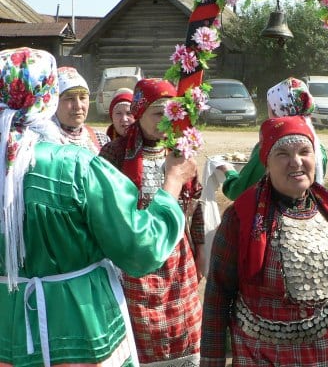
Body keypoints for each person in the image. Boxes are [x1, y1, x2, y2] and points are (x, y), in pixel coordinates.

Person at [0, 48, 197, 366]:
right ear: (49, 97)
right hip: (81, 321)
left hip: (8, 325)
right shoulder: (76, 166)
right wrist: (172, 182)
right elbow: (140, 247)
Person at [201, 116, 328, 366]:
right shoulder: (241, 217)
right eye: (283, 154)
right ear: (266, 164)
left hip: (324, 353)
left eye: (304, 151)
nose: (296, 162)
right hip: (261, 355)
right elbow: (218, 293)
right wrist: (212, 360)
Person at [100, 78, 205, 366]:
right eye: (158, 112)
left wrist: (202, 247)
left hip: (177, 261)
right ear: (139, 112)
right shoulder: (114, 154)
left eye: (172, 112)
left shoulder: (181, 151)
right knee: (141, 333)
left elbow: (194, 202)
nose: (166, 119)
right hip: (135, 259)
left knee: (182, 331)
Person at [214, 77, 327, 200]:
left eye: (269, 106)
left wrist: (229, 171)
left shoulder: (271, 147)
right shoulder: (317, 147)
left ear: (275, 111)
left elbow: (239, 191)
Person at [54, 66, 110, 152]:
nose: (78, 106)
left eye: (82, 98)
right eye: (69, 98)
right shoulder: (42, 141)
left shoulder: (102, 140)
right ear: (54, 103)